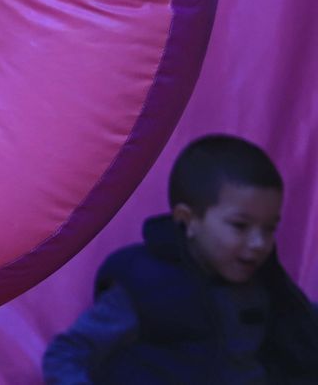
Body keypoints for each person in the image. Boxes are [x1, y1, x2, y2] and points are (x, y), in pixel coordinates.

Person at [43, 134, 318, 384]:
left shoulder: (265, 282)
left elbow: (300, 329)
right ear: (188, 220)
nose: (259, 244)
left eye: (269, 228)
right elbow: (68, 353)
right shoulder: (143, 283)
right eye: (240, 226)